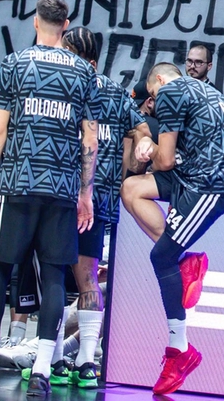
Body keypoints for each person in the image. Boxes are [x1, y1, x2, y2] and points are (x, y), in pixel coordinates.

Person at [0, 0, 98, 399]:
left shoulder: (15, 64)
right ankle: (41, 369)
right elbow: (89, 138)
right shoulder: (82, 72)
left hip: (18, 182)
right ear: (66, 24)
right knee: (54, 275)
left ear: (35, 22)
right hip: (60, 189)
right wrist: (85, 193)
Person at [119, 60, 224, 396]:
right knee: (131, 189)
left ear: (159, 81)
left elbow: (163, 160)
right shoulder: (209, 92)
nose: (153, 106)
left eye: (152, 97)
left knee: (161, 258)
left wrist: (147, 149)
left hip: (211, 183)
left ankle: (180, 350)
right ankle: (186, 259)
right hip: (195, 172)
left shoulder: (171, 92)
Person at [59, 27, 149, 387]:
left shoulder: (70, 86)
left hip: (71, 197)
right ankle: (80, 362)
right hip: (89, 201)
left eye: (71, 56)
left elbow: (142, 131)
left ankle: (68, 361)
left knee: (62, 278)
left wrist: (141, 149)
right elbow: (141, 130)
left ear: (90, 62)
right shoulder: (113, 91)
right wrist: (141, 145)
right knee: (85, 281)